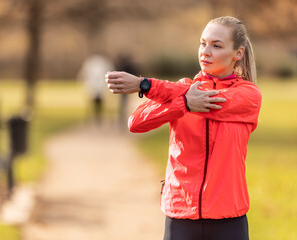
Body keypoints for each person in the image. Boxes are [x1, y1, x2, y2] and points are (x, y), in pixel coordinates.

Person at [105, 16, 262, 240]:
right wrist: (184, 104)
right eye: (203, 43)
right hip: (180, 214)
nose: (206, 51)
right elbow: (136, 122)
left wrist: (145, 84)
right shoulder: (181, 90)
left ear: (238, 53)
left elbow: (211, 101)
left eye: (216, 45)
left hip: (229, 218)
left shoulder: (248, 95)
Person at [77, 54, 114, 125]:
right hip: (96, 88)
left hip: (98, 88)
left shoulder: (91, 64)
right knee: (95, 105)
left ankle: (97, 119)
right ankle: (96, 119)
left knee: (98, 105)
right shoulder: (99, 64)